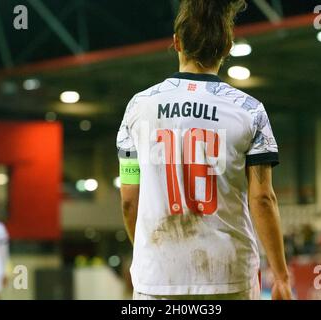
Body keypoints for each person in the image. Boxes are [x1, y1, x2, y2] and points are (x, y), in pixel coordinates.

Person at [116, 0, 292, 300]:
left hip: (157, 278)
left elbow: (129, 202)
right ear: (227, 47)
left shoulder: (137, 108)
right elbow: (262, 198)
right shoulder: (250, 111)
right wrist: (281, 276)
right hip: (230, 276)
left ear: (176, 43)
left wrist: (149, 257)